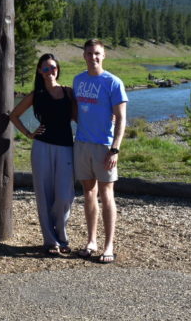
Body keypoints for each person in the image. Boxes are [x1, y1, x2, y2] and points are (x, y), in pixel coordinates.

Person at [10, 53, 76, 256]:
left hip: (66, 146)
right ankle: (51, 241)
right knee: (44, 195)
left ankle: (61, 236)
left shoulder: (68, 92)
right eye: (46, 68)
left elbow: (78, 117)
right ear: (40, 71)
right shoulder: (35, 95)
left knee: (65, 196)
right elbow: (13, 115)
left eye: (53, 68)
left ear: (58, 69)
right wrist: (29, 133)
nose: (50, 72)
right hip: (41, 148)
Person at [73, 39, 128, 264]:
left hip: (105, 146)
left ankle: (109, 245)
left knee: (107, 194)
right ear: (84, 56)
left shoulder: (113, 82)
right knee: (88, 193)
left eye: (97, 53)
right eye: (89, 53)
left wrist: (115, 149)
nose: (93, 57)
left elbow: (122, 118)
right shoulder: (78, 80)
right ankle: (91, 241)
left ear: (103, 55)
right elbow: (76, 111)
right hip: (82, 143)